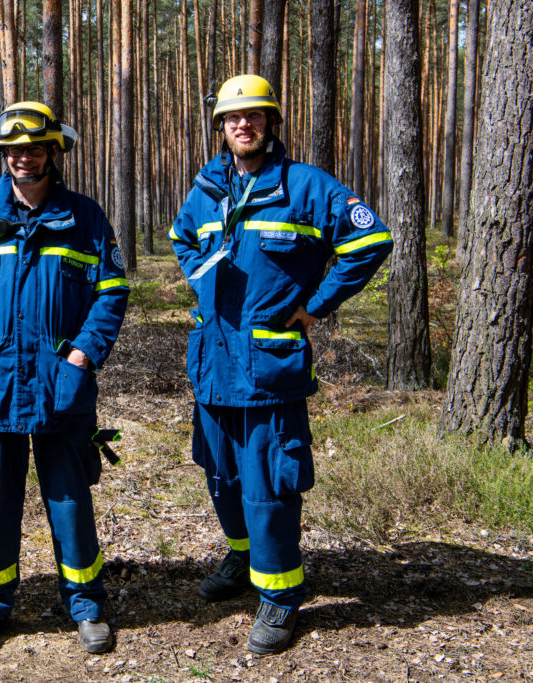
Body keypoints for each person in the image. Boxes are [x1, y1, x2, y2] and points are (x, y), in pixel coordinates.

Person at [169, 74, 393, 655]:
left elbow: (370, 242)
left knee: (269, 486)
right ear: (220, 127)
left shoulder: (306, 186)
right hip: (213, 364)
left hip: (269, 369)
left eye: (255, 116)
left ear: (271, 123)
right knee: (221, 475)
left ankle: (280, 597)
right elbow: (181, 237)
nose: (244, 125)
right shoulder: (209, 186)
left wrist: (314, 308)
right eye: (233, 118)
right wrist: (201, 273)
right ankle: (242, 560)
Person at [0, 102, 129, 654]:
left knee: (69, 500)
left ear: (52, 153)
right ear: (4, 156)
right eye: (14, 150)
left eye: (34, 149)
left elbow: (111, 294)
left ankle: (87, 604)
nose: (23, 158)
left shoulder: (86, 218)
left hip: (61, 389)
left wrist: (83, 355)